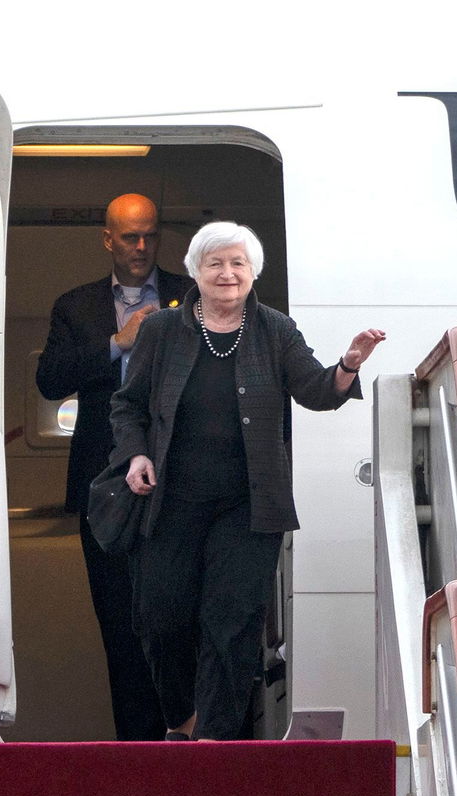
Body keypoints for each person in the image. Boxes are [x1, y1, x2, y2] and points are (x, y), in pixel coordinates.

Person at [110, 221, 386, 741]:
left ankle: (214, 740)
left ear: (253, 272)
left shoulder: (274, 330)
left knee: (230, 624)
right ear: (196, 271)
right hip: (170, 503)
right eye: (215, 263)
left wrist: (347, 365)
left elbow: (315, 390)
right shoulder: (161, 331)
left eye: (238, 263)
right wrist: (136, 455)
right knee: (162, 621)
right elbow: (125, 405)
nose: (227, 273)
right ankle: (182, 722)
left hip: (248, 507)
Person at [35, 193, 193, 740]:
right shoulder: (75, 306)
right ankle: (137, 752)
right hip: (103, 487)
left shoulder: (190, 295)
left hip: (181, 482)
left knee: (178, 620)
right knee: (120, 628)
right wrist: (116, 343)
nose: (141, 247)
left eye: (150, 234)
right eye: (129, 237)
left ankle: (188, 745)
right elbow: (50, 380)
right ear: (108, 239)